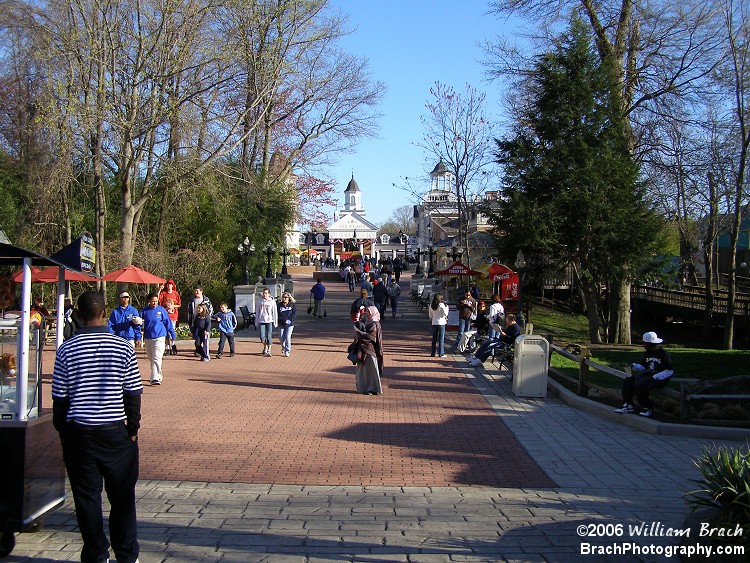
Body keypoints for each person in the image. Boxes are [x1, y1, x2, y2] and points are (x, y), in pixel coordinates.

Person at [51, 290, 143, 563]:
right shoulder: (123, 347)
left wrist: (65, 433)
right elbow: (132, 393)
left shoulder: (66, 349)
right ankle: (126, 554)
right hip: (115, 430)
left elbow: (60, 398)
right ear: (105, 312)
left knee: (87, 498)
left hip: (81, 432)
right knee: (122, 497)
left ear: (78, 315)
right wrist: (132, 428)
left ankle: (95, 553)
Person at [615, 331, 674, 418]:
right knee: (629, 380)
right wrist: (633, 365)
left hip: (660, 378)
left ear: (651, 344)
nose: (643, 345)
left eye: (645, 343)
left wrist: (655, 377)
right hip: (649, 376)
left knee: (641, 384)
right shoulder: (647, 353)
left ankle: (648, 408)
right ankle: (628, 405)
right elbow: (644, 367)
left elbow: (669, 371)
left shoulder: (664, 354)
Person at [139, 293, 176, 385]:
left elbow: (168, 322)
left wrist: (172, 333)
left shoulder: (161, 310)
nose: (154, 303)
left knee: (157, 357)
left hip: (160, 336)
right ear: (149, 301)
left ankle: (155, 377)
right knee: (151, 357)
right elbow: (139, 322)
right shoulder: (144, 311)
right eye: (153, 301)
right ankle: (158, 374)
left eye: (156, 301)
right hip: (148, 337)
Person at [351, 305, 384, 395]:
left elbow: (372, 337)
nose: (367, 313)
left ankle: (372, 388)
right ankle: (365, 389)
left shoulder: (374, 323)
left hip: (370, 351)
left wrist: (361, 334)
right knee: (364, 372)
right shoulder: (367, 322)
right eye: (367, 312)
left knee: (371, 372)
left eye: (369, 312)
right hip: (363, 350)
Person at [158, 279, 181, 354]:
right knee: (166, 332)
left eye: (170, 284)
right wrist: (159, 289)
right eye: (167, 284)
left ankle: (173, 345)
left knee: (172, 331)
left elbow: (179, 304)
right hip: (165, 315)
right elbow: (157, 299)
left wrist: (172, 306)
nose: (169, 286)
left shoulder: (176, 294)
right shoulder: (163, 293)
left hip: (173, 315)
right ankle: (167, 347)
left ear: (173, 285)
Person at [255, 287, 278, 356]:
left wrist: (275, 321)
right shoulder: (260, 301)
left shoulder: (272, 301)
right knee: (262, 337)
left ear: (269, 294)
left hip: (269, 321)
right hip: (261, 320)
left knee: (269, 336)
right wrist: (256, 321)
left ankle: (269, 350)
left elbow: (274, 312)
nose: (264, 295)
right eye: (264, 293)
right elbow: (257, 312)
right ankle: (265, 346)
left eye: (266, 293)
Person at [429, 292, 449, 358]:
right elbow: (445, 314)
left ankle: (433, 352)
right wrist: (447, 307)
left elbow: (430, 316)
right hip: (441, 322)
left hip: (434, 322)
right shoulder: (442, 305)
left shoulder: (431, 305)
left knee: (434, 339)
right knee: (441, 339)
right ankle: (441, 353)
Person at [277, 292, 297, 357]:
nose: (284, 299)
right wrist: (283, 320)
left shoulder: (292, 305)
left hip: (290, 324)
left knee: (287, 337)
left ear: (289, 298)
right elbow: (278, 314)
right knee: (281, 337)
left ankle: (287, 350)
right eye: (283, 297)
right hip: (281, 323)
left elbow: (294, 314)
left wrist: (289, 320)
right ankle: (283, 346)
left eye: (286, 297)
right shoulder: (279, 305)